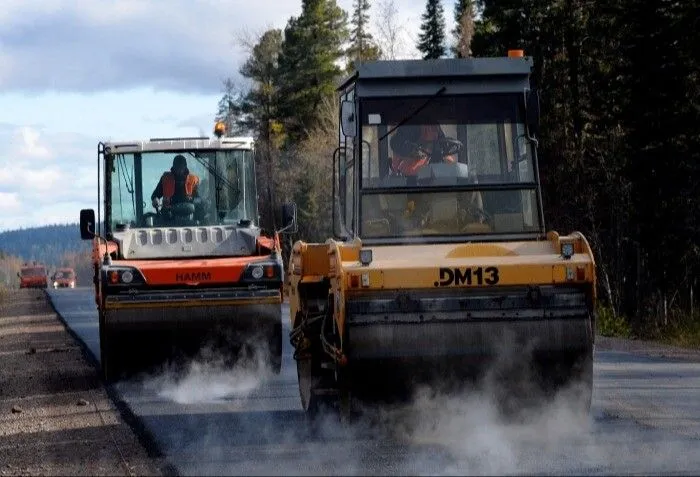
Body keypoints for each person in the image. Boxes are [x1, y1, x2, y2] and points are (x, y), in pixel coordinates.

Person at [389, 124, 457, 176]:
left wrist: (450, 163)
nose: (432, 130)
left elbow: (444, 147)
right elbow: (396, 144)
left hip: (431, 178)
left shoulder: (436, 130)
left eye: (433, 129)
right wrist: (414, 152)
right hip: (408, 179)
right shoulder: (410, 128)